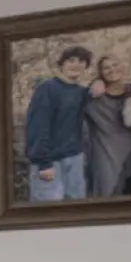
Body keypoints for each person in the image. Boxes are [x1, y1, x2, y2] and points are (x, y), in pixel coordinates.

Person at [23, 46, 92, 201]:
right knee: (49, 213)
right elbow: (37, 127)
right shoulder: (47, 89)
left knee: (76, 213)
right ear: (61, 64)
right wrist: (43, 163)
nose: (76, 64)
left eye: (82, 61)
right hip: (51, 161)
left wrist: (98, 83)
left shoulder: (82, 92)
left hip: (75, 159)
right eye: (71, 60)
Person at [84, 53, 131, 196]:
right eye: (106, 68)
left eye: (115, 65)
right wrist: (95, 82)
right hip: (105, 154)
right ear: (101, 73)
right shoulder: (94, 96)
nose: (112, 70)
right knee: (106, 195)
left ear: (123, 67)